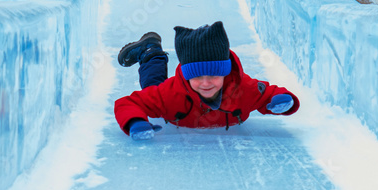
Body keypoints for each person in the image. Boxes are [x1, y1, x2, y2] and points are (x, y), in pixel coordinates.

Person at [114, 21, 299, 140]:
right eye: (197, 76)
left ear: (225, 73)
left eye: (214, 75)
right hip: (172, 96)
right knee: (153, 87)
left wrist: (282, 101)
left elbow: (269, 94)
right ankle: (150, 51)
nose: (205, 83)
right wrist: (135, 122)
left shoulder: (242, 89)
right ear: (187, 76)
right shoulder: (169, 94)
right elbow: (127, 103)